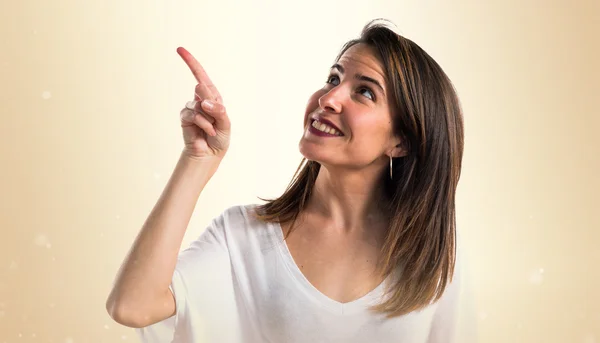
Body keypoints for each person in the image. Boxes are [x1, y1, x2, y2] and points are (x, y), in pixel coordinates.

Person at [106, 19, 467, 343]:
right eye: (333, 79)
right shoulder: (242, 237)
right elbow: (132, 306)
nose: (328, 99)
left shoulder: (431, 256)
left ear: (400, 141)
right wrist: (197, 161)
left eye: (365, 92)